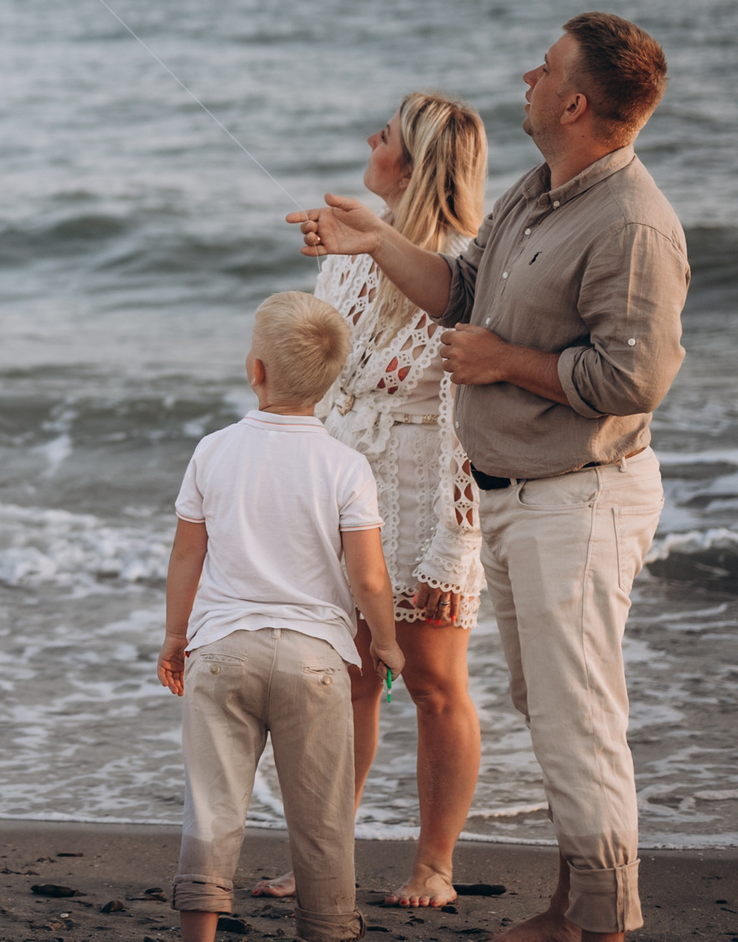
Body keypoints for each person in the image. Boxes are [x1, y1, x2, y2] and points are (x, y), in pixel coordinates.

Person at [289, 13, 685, 942]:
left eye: (543, 70)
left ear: (576, 101)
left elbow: (634, 380)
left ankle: (606, 920)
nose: (527, 76)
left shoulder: (632, 224)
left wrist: (505, 361)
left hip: (577, 497)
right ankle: (573, 905)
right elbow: (462, 290)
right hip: (513, 492)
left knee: (577, 715)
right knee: (549, 712)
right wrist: (373, 239)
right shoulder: (536, 193)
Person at [256, 92, 490, 910]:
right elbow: (327, 383)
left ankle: (433, 864)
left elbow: (469, 419)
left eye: (384, 135)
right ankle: (323, 856)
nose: (368, 138)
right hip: (344, 491)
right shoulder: (350, 254)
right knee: (341, 679)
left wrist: (452, 548)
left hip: (426, 492)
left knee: (431, 681)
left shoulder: (468, 264)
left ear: (416, 164)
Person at [159, 291, 408, 942]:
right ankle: (327, 928)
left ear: (255, 370)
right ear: (330, 384)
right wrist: (385, 641)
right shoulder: (346, 466)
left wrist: (176, 636)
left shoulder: (213, 451)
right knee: (323, 821)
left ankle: (199, 933)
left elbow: (188, 554)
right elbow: (370, 575)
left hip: (221, 653)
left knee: (211, 808)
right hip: (315, 661)